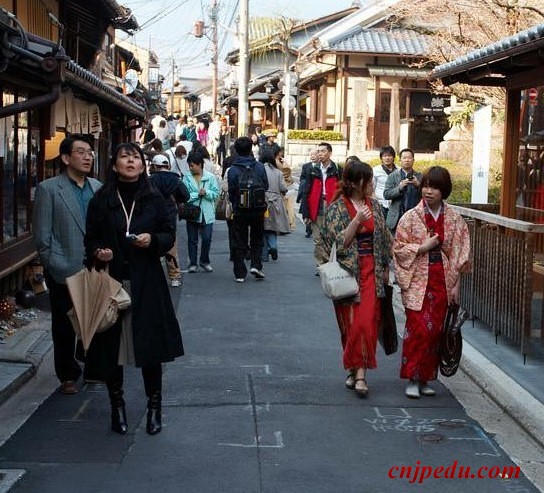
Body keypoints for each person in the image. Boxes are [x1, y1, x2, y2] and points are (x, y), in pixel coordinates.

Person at [84, 142, 184, 435]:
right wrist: (99, 252)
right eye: (124, 157)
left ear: (143, 165)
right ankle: (117, 406)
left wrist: (152, 241)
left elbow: (168, 235)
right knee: (111, 350)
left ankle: (155, 407)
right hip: (111, 281)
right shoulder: (101, 199)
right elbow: (89, 240)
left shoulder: (155, 199)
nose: (130, 161)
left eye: (135, 157)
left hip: (147, 282)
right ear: (114, 165)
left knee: (150, 349)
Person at [33, 134, 102, 395]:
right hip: (64, 265)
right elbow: (41, 234)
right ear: (65, 158)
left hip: (95, 265)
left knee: (94, 319)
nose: (88, 157)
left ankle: (91, 364)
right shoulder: (49, 188)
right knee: (64, 325)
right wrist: (53, 262)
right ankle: (67, 374)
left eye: (90, 153)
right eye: (81, 152)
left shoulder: (97, 186)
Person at [393, 166, 470, 399]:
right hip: (417, 278)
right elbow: (398, 249)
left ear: (443, 190)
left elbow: (460, 253)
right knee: (418, 329)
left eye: (434, 187)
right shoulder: (410, 217)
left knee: (435, 331)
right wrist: (422, 247)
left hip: (442, 278)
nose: (428, 191)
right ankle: (412, 376)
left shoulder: (454, 219)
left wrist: (456, 284)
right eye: (426, 185)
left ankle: (426, 377)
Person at [320, 159, 392, 397]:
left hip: (371, 269)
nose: (371, 184)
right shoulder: (337, 208)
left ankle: (361, 374)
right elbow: (335, 243)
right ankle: (353, 369)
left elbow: (383, 239)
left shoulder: (376, 206)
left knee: (366, 322)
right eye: (366, 180)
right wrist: (356, 221)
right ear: (353, 183)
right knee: (349, 326)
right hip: (347, 271)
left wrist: (385, 268)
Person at [227, 136, 269, 282]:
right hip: (258, 208)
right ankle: (256, 265)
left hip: (240, 209)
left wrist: (235, 203)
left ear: (236, 151)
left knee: (239, 239)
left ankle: (240, 273)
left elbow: (232, 190)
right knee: (257, 237)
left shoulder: (232, 169)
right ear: (251, 149)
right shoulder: (259, 167)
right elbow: (265, 186)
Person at [148, 154, 190, 287]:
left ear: (154, 166)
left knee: (152, 247)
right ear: (167, 166)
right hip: (170, 217)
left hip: (152, 217)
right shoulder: (175, 179)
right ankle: (175, 277)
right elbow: (185, 195)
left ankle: (153, 277)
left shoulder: (150, 180)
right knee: (171, 248)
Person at [302, 142, 342, 271]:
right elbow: (306, 191)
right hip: (316, 205)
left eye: (323, 151)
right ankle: (321, 265)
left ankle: (330, 263)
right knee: (318, 237)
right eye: (318, 151)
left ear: (330, 153)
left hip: (333, 206)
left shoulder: (338, 169)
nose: (320, 154)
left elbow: (343, 190)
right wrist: (306, 213)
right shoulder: (313, 170)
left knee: (332, 237)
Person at [182, 150, 220, 273]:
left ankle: (204, 261)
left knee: (207, 238)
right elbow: (184, 195)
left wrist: (207, 193)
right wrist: (197, 195)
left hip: (207, 213)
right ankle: (193, 263)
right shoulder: (186, 177)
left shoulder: (210, 177)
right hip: (192, 212)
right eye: (189, 165)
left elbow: (216, 194)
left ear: (199, 164)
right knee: (192, 239)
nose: (190, 168)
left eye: (192, 165)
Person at [383, 148, 422, 233]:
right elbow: (386, 194)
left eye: (409, 158)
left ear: (413, 160)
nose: (407, 160)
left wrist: (418, 185)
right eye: (404, 158)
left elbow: (426, 195)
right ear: (400, 160)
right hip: (396, 218)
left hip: (414, 217)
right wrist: (399, 188)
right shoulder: (393, 176)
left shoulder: (420, 176)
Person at [261, 151, 290, 261]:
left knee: (262, 227)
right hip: (276, 202)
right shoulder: (278, 172)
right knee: (273, 227)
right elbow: (283, 188)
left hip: (262, 201)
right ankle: (273, 246)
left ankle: (264, 255)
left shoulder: (260, 169)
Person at [297, 148, 319, 238]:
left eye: (314, 154)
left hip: (317, 191)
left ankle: (314, 228)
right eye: (311, 155)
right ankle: (308, 229)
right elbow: (302, 178)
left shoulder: (320, 166)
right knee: (306, 210)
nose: (312, 156)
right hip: (307, 191)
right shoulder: (306, 166)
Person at [373, 145, 397, 220]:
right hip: (380, 204)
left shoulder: (399, 170)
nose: (387, 158)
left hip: (395, 205)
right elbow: (372, 188)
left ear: (393, 157)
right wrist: (375, 203)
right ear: (381, 158)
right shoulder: (375, 170)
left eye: (389, 156)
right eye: (385, 156)